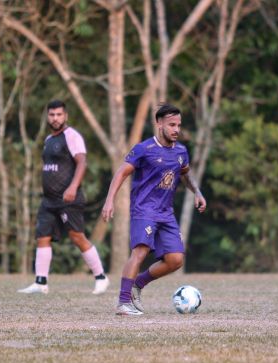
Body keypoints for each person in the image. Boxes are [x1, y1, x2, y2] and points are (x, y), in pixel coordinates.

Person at [101, 104, 207, 316]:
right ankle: (123, 303)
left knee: (175, 259)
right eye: (171, 125)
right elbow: (122, 173)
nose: (176, 129)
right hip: (144, 210)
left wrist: (197, 191)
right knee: (139, 253)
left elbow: (185, 174)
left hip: (165, 212)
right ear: (159, 124)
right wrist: (109, 200)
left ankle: (137, 285)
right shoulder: (144, 149)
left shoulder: (180, 151)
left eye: (178, 125)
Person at [18, 100, 109, 295]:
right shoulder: (49, 140)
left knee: (77, 237)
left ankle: (101, 277)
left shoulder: (72, 136)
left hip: (69, 198)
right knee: (42, 236)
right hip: (49, 200)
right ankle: (40, 282)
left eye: (59, 114)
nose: (55, 118)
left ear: (65, 116)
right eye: (52, 115)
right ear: (47, 116)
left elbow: (82, 162)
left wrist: (73, 187)